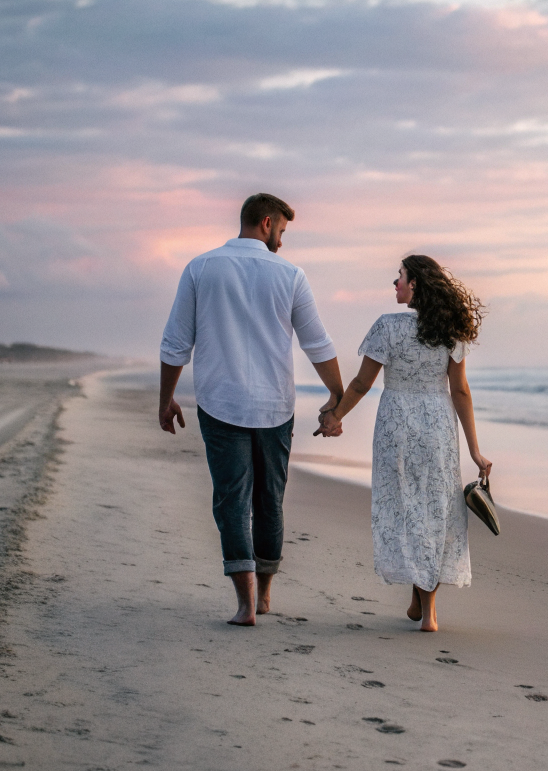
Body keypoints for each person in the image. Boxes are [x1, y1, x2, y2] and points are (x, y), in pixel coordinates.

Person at [157, 193, 344, 626]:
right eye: (282, 229)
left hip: (221, 402)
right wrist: (336, 396)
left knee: (231, 501)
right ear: (266, 222)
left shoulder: (200, 268)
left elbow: (175, 344)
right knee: (269, 501)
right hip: (275, 405)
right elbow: (317, 343)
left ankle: (245, 604)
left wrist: (165, 398)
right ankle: (265, 595)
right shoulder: (291, 274)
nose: (282, 238)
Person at [319, 255, 491, 632]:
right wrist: (475, 450)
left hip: (396, 423)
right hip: (438, 427)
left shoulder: (388, 327)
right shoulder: (450, 329)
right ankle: (426, 607)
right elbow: (460, 390)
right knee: (434, 509)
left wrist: (335, 417)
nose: (395, 283)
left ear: (414, 285)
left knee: (406, 505)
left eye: (399, 277)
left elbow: (362, 384)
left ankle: (421, 594)